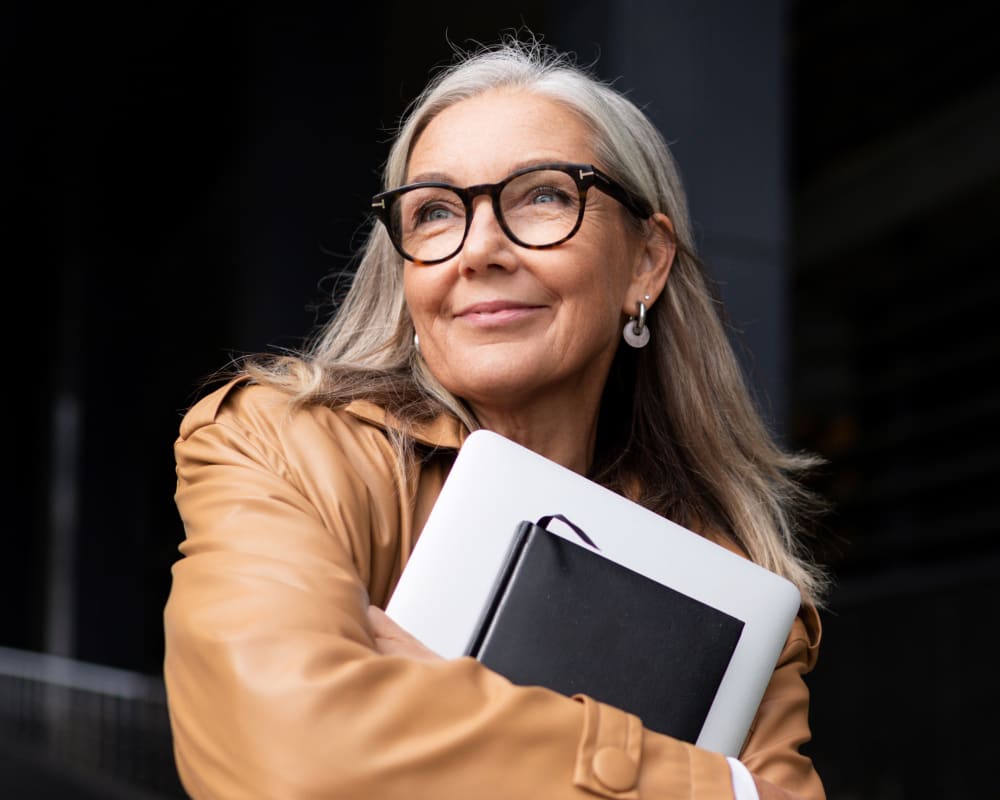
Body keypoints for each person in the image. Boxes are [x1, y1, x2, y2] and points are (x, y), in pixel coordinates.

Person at [163, 35, 829, 800]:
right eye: (436, 212)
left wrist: (427, 705)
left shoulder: (737, 581)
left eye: (544, 195)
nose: (478, 250)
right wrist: (712, 787)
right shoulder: (281, 444)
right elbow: (289, 762)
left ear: (646, 260)